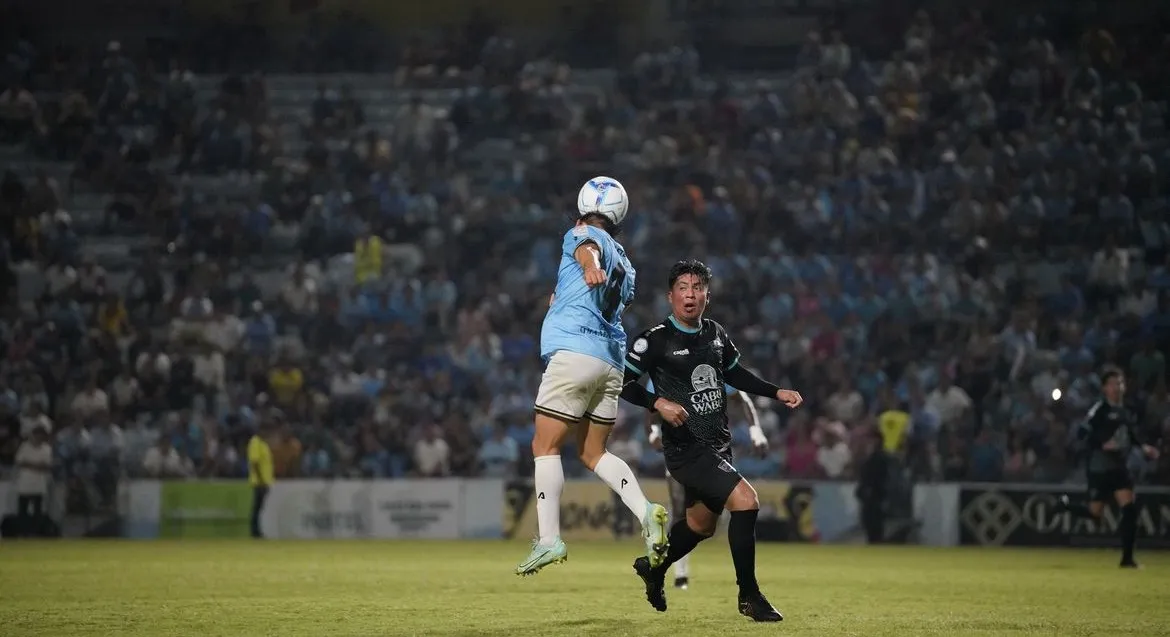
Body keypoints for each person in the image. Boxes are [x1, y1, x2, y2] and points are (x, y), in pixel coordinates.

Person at [620, 259, 802, 622]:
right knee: (746, 501)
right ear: (670, 296)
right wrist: (658, 403)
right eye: (683, 288)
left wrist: (775, 391)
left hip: (718, 444)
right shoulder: (654, 339)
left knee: (700, 526)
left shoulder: (715, 333)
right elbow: (622, 383)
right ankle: (749, 595)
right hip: (685, 448)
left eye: (697, 287)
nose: (690, 295)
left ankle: (654, 568)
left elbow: (735, 374)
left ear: (707, 295)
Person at [516, 176, 668, 576]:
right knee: (592, 452)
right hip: (610, 361)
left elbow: (587, 251)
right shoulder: (628, 266)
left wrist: (591, 265)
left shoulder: (581, 234)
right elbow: (603, 298)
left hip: (574, 352)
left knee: (545, 445)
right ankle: (646, 511)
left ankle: (549, 539)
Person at [643, 378, 765, 590]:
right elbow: (651, 414)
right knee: (680, 510)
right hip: (680, 454)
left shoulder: (710, 367)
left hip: (713, 454)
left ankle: (655, 566)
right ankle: (680, 574)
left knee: (704, 524)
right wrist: (653, 434)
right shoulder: (660, 374)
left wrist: (756, 432)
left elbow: (742, 399)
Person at [1058, 368, 1160, 568]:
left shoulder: (1126, 410)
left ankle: (1127, 559)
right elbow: (1082, 433)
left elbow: (1130, 434)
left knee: (1130, 510)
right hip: (1100, 467)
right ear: (1104, 388)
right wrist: (1101, 444)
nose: (1117, 387)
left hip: (1119, 466)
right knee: (1095, 513)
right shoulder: (1099, 409)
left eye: (1120, 383)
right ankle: (1065, 505)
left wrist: (1143, 447)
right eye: (1112, 383)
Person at [247, 421, 276, 539]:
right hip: (260, 481)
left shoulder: (263, 443)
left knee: (260, 507)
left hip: (265, 481)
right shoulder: (255, 442)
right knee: (257, 507)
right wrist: (261, 480)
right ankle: (255, 531)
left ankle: (257, 530)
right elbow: (255, 462)